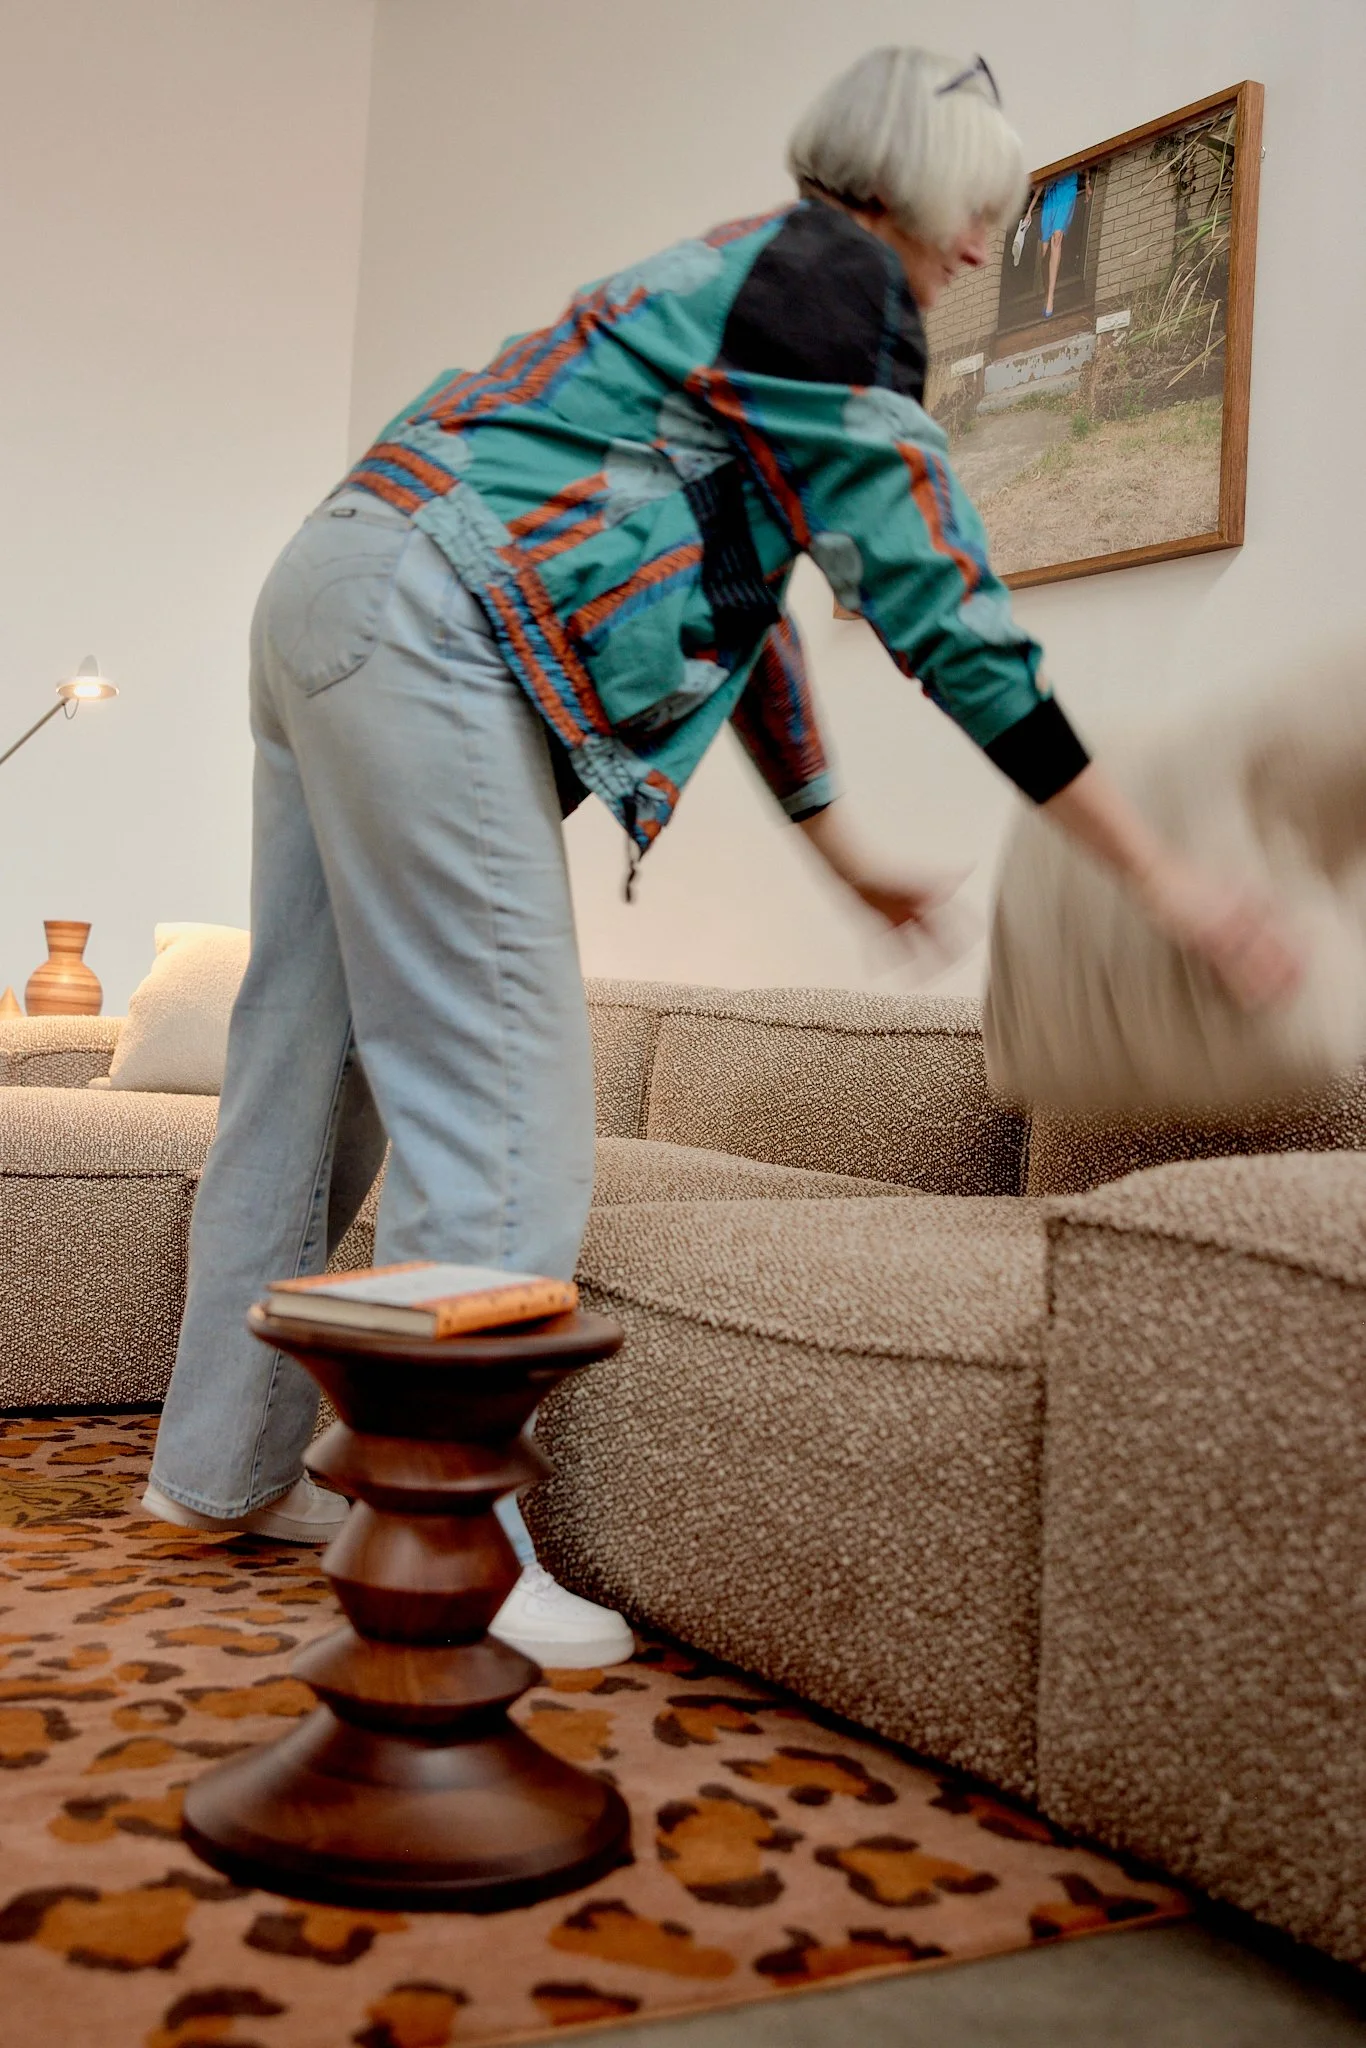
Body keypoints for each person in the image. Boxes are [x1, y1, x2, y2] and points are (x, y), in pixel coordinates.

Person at [141, 46, 1300, 1668]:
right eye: (979, 207)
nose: (985, 244)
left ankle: (219, 1470)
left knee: (305, 1055)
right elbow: (952, 625)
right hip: (429, 622)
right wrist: (1163, 881)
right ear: (909, 187)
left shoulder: (739, 285)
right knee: (502, 1098)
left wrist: (844, 859)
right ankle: (449, 1544)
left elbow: (742, 630)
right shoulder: (834, 289)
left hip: (334, 584)